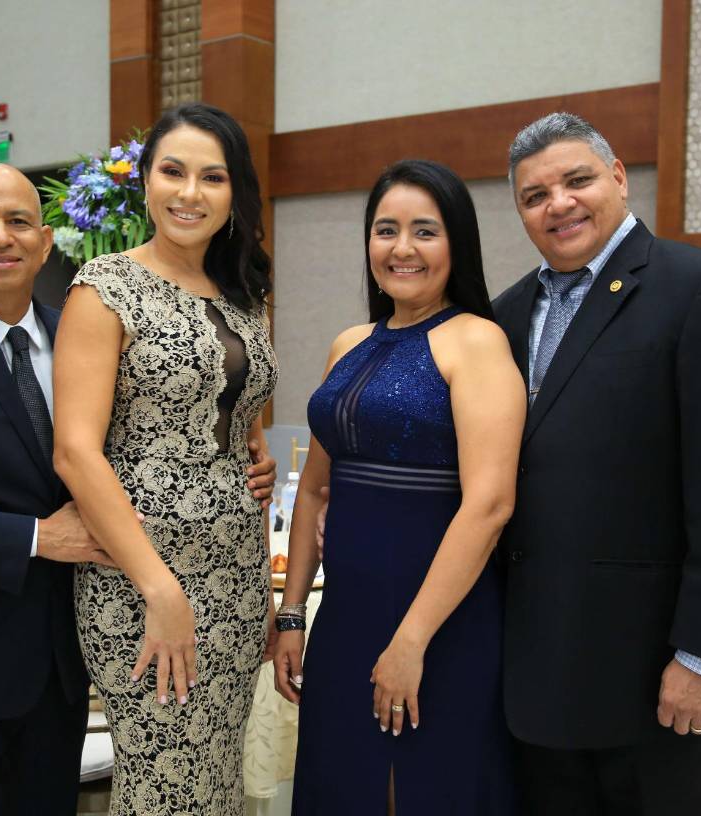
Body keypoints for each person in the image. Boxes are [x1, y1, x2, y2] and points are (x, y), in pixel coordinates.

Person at [0, 163, 278, 815]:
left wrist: (239, 452)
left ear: (46, 242)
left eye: (18, 221)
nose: (1, 237)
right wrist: (35, 537)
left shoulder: (89, 328)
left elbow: (152, 439)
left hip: (58, 672)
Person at [491, 112, 701, 814]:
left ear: (618, 177)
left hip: (654, 679)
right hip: (534, 674)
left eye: (577, 180)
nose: (558, 204)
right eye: (535, 196)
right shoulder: (503, 315)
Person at [273, 160, 525, 814]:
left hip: (441, 621)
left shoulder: (476, 342)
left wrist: (412, 641)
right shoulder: (348, 344)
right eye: (386, 230)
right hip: (347, 617)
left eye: (424, 231)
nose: (402, 248)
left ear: (456, 244)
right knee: (340, 784)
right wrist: (294, 613)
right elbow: (313, 490)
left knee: (419, 789)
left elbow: (491, 504)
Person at [53, 103, 279, 815]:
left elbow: (234, 406)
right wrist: (160, 589)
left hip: (236, 580)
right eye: (173, 172)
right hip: (142, 583)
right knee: (161, 786)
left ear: (235, 193)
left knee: (214, 781)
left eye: (212, 177)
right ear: (145, 182)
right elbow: (75, 452)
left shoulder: (246, 295)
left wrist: (252, 449)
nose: (190, 193)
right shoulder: (104, 287)